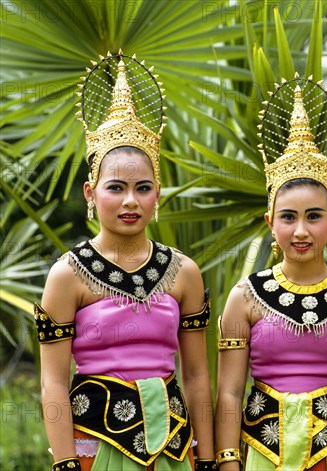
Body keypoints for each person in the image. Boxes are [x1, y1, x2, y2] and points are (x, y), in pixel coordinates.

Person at [35, 51, 215, 471]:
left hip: (174, 447)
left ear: (158, 194)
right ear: (90, 194)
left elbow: (197, 376)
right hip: (92, 446)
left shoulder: (183, 272)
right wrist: (64, 462)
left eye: (143, 188)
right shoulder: (67, 274)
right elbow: (53, 381)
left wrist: (207, 458)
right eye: (116, 188)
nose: (131, 201)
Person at [215, 78, 327, 470]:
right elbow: (228, 394)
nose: (300, 231)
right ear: (269, 223)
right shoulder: (245, 296)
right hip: (262, 454)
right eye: (288, 217)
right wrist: (228, 462)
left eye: (314, 216)